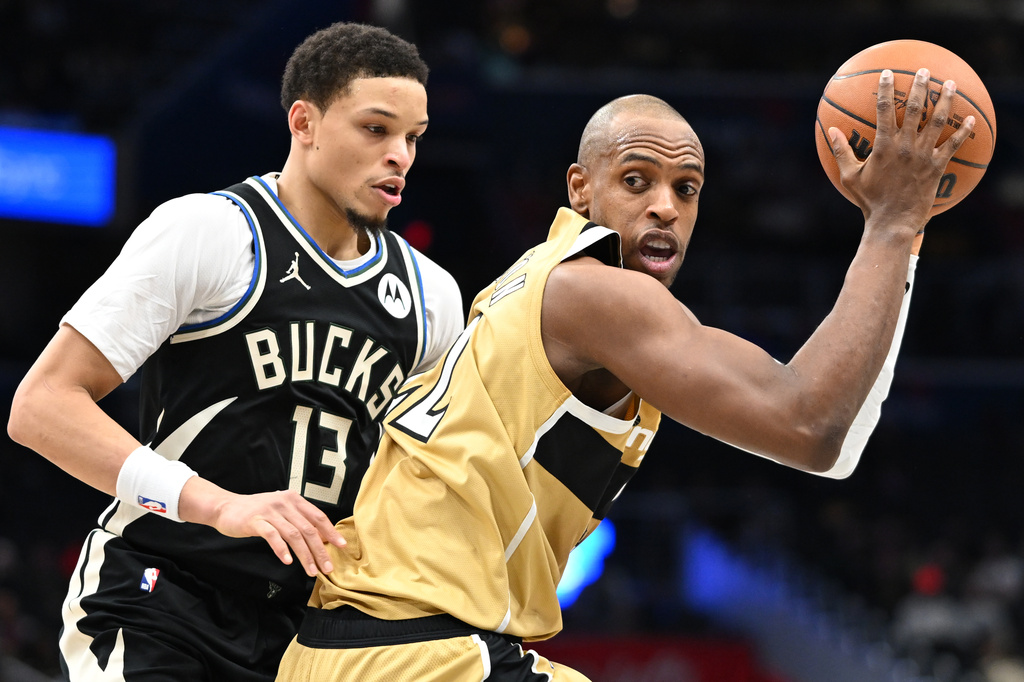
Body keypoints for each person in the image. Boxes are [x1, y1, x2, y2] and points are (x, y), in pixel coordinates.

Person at [274, 67, 975, 681]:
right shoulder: (595, 292)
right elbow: (809, 424)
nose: (665, 206)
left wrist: (904, 236)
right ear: (581, 190)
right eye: (636, 181)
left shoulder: (532, 284)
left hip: (355, 651)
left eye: (687, 188)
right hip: (421, 651)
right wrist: (891, 222)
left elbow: (835, 447)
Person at [6, 21, 464, 682]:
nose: (400, 155)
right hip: (162, 593)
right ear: (303, 121)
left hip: (312, 632)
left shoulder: (433, 298)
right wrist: (219, 504)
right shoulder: (210, 231)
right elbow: (40, 406)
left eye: (413, 137)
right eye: (376, 129)